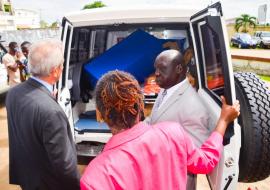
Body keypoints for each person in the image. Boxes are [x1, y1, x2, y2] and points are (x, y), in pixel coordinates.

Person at [80, 70, 240, 190]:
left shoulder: (96, 176)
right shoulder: (173, 133)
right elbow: (205, 162)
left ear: (99, 115)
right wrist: (223, 121)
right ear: (141, 105)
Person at [6, 39, 80, 190]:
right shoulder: (50, 110)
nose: (62, 68)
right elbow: (65, 165)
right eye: (61, 65)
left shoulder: (13, 93)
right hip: (48, 184)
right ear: (54, 71)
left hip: (26, 177)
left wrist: (47, 98)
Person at [145, 49, 210, 189]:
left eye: (162, 68)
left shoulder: (193, 106)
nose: (156, 73)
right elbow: (153, 119)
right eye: (155, 68)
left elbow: (196, 156)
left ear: (179, 69)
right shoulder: (165, 89)